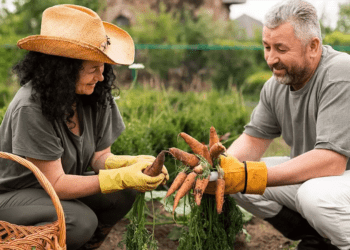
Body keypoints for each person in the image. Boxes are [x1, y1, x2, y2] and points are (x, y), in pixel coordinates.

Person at [0, 4, 168, 250]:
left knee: (123, 193)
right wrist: (119, 177)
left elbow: (99, 157)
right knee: (79, 221)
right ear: (63, 69)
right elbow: (55, 183)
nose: (100, 76)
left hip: (55, 189)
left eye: (103, 67)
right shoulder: (32, 106)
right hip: (13, 196)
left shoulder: (94, 93)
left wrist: (129, 165)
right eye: (92, 69)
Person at [206, 0, 350, 249]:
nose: (271, 59)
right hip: (321, 178)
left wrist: (250, 175)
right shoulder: (276, 86)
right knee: (231, 180)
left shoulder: (340, 73)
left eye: (281, 49)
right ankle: (318, 239)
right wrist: (217, 168)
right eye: (266, 47)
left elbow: (331, 161)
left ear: (313, 46)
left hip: (339, 176)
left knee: (313, 196)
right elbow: (253, 140)